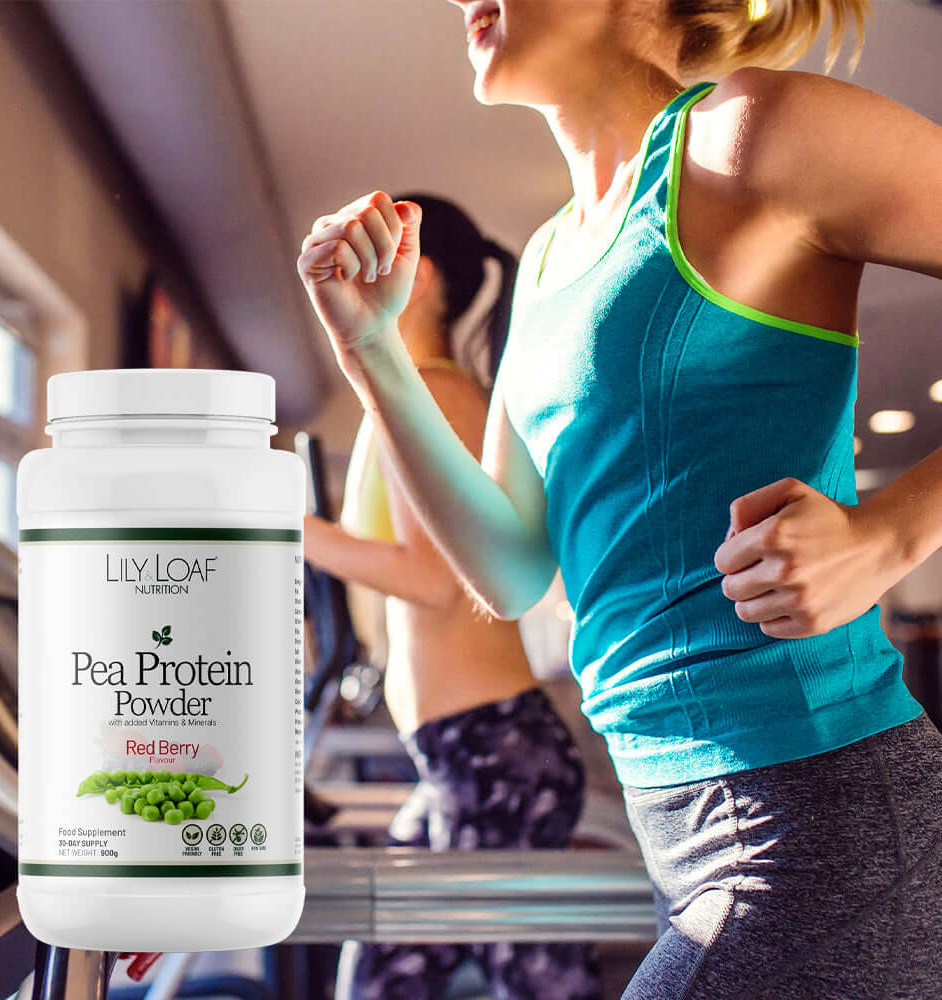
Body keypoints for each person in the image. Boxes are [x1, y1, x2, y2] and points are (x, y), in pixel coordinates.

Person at [297, 1, 942, 995]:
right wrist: (369, 348)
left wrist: (889, 531)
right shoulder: (550, 259)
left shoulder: (749, 133)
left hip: (818, 812)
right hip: (672, 826)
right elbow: (511, 567)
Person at [303, 192, 603, 1000]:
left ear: (417, 271)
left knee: (525, 981)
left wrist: (289, 526)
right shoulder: (411, 395)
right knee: (383, 977)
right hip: (462, 755)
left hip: (493, 749)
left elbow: (435, 582)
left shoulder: (437, 393)